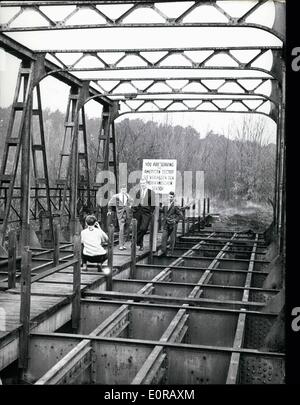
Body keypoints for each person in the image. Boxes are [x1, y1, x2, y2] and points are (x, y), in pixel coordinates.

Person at [131, 177, 156, 251]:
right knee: (138, 228)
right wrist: (134, 209)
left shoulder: (151, 192)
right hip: (138, 212)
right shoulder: (138, 192)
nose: (142, 185)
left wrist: (150, 211)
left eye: (144, 183)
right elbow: (135, 202)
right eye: (141, 183)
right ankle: (140, 245)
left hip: (146, 213)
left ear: (146, 184)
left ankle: (134, 241)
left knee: (143, 228)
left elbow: (153, 204)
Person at [108, 184, 133, 250]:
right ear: (120, 189)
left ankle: (123, 244)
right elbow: (110, 203)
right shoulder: (116, 196)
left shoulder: (128, 196)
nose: (123, 190)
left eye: (125, 189)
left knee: (126, 229)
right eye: (122, 189)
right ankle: (120, 245)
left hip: (127, 214)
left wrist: (130, 206)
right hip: (120, 214)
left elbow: (132, 202)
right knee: (121, 229)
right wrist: (109, 210)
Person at [161, 191, 183, 255]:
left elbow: (180, 215)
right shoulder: (165, 204)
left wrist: (175, 220)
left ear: (173, 198)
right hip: (166, 223)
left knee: (172, 239)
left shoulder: (176, 205)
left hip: (173, 224)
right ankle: (163, 250)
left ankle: (171, 251)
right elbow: (162, 211)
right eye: (169, 197)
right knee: (164, 237)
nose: (169, 198)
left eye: (171, 197)